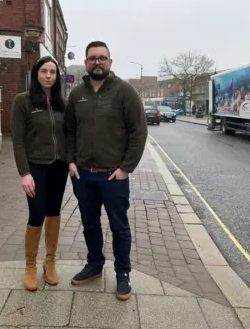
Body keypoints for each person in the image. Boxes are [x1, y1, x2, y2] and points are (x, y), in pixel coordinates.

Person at [65, 41, 148, 301]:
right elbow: (69, 131)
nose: (97, 62)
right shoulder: (77, 94)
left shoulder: (124, 91)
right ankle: (94, 265)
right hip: (84, 176)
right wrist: (71, 161)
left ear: (110, 62)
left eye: (102, 58)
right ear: (86, 62)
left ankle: (123, 273)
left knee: (119, 226)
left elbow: (139, 131)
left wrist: (126, 168)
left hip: (113, 175)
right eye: (92, 58)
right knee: (90, 224)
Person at [11, 56, 67, 291]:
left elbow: (69, 135)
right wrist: (24, 173)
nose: (48, 76)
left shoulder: (61, 103)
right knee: (37, 214)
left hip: (59, 166)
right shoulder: (23, 101)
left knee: (54, 213)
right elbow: (18, 141)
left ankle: (50, 262)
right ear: (36, 73)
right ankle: (30, 265)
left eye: (52, 72)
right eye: (44, 71)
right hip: (35, 167)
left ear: (57, 76)